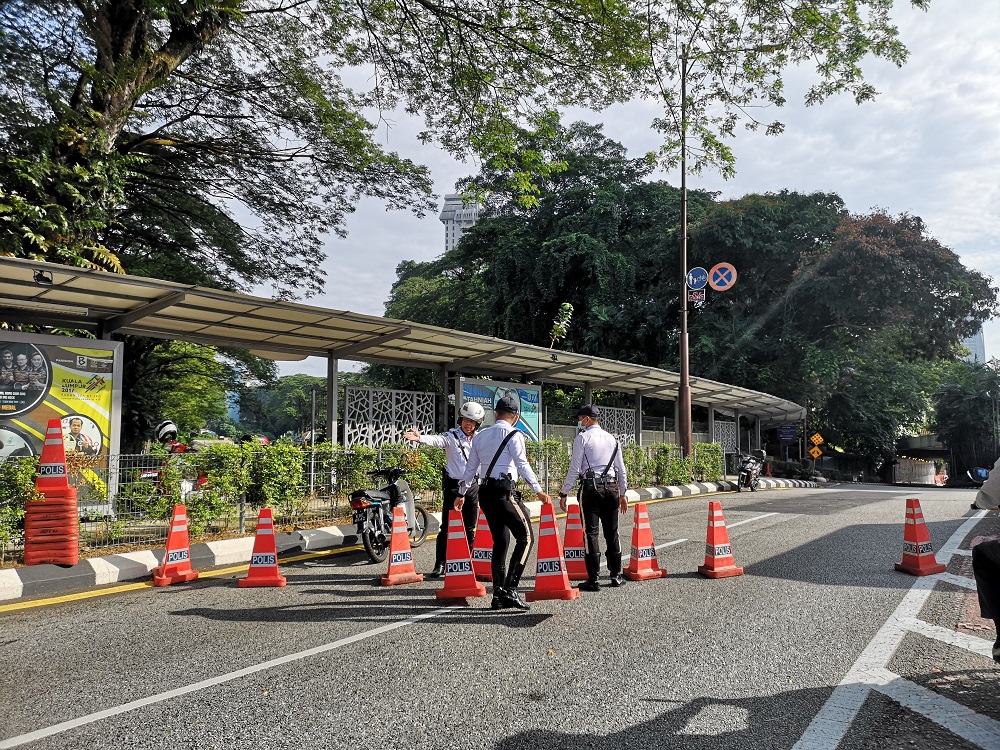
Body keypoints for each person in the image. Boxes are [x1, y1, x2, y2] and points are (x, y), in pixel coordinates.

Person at [457, 395, 551, 610]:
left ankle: (498, 596)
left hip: (485, 493)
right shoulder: (515, 434)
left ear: (495, 414)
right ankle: (510, 589)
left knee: (500, 542)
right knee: (526, 538)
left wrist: (461, 493)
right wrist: (538, 490)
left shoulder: (480, 437)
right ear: (515, 417)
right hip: (504, 492)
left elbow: (470, 469)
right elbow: (522, 464)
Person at [402, 401, 485, 578]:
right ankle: (440, 564)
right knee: (446, 527)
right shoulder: (452, 436)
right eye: (465, 419)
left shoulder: (480, 439)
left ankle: (468, 563)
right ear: (460, 420)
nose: (467, 423)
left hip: (472, 487)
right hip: (453, 487)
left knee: (470, 528)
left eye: (472, 421)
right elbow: (438, 440)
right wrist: (420, 438)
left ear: (477, 424)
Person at [558, 404, 629, 591]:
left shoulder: (582, 438)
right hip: (612, 488)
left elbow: (575, 468)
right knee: (612, 532)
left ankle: (594, 579)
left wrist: (565, 492)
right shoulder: (612, 439)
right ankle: (615, 575)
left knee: (591, 533)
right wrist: (623, 493)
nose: (579, 422)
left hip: (591, 490)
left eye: (580, 419)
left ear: (587, 419)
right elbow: (621, 468)